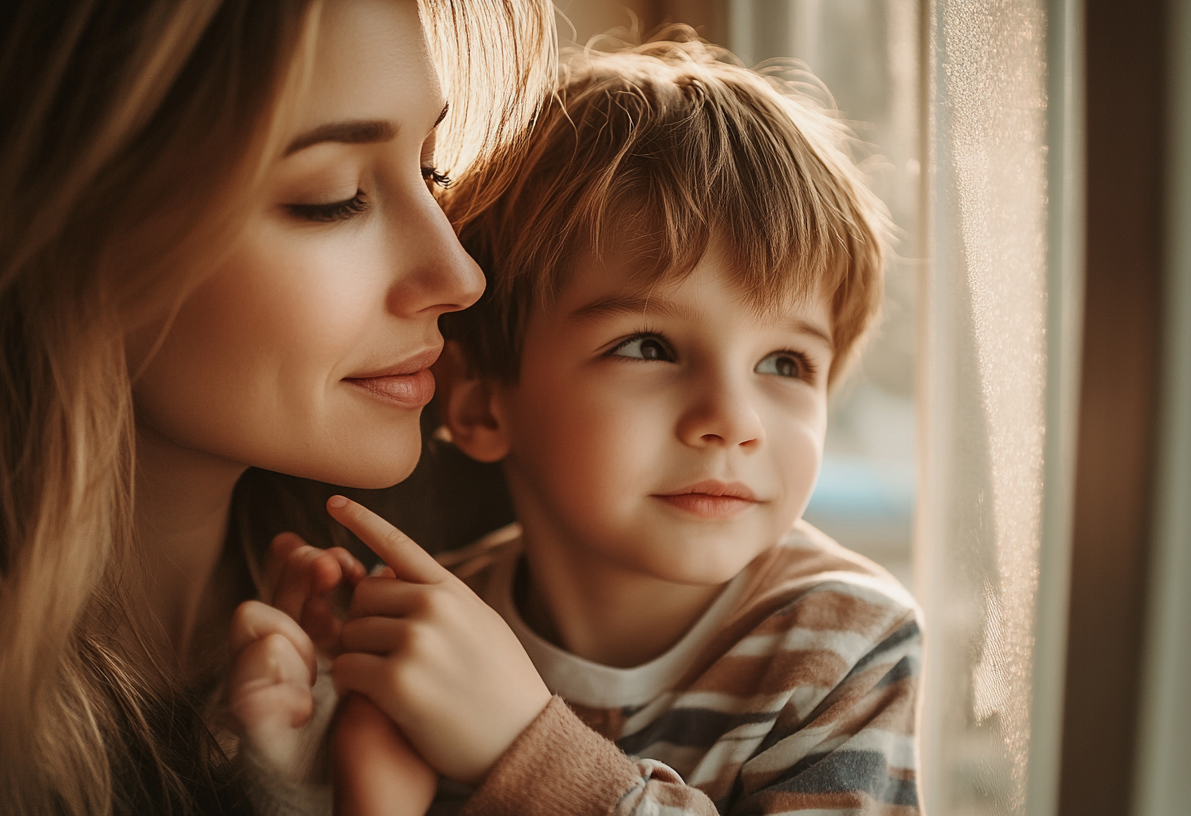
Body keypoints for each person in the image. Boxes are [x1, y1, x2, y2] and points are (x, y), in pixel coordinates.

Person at [0, 1, 552, 814]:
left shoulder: (509, 581)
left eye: (431, 170)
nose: (459, 275)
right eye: (332, 197)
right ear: (53, 230)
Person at [262, 29, 922, 815]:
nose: (732, 421)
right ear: (478, 401)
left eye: (785, 363)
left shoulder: (845, 643)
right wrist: (295, 769)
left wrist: (526, 747)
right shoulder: (438, 626)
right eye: (649, 346)